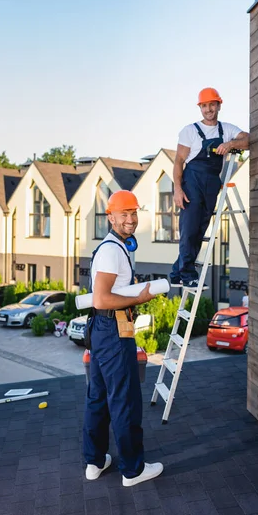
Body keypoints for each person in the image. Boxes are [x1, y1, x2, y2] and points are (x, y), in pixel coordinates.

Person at [83, 190, 163, 486]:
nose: (130, 219)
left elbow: (106, 293)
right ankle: (133, 470)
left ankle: (95, 460)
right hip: (114, 331)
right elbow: (102, 298)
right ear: (111, 217)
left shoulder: (114, 247)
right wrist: (139, 297)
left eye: (133, 213)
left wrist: (130, 291)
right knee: (125, 400)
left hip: (103, 331)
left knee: (98, 397)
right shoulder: (112, 250)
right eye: (124, 214)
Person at [170, 87, 250, 287]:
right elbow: (179, 161)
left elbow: (248, 139)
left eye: (212, 105)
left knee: (200, 229)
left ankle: (176, 273)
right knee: (189, 229)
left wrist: (231, 144)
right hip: (192, 182)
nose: (208, 109)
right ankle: (188, 275)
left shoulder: (227, 130)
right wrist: (177, 190)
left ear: (218, 105)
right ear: (200, 108)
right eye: (204, 105)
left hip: (212, 184)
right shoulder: (190, 131)